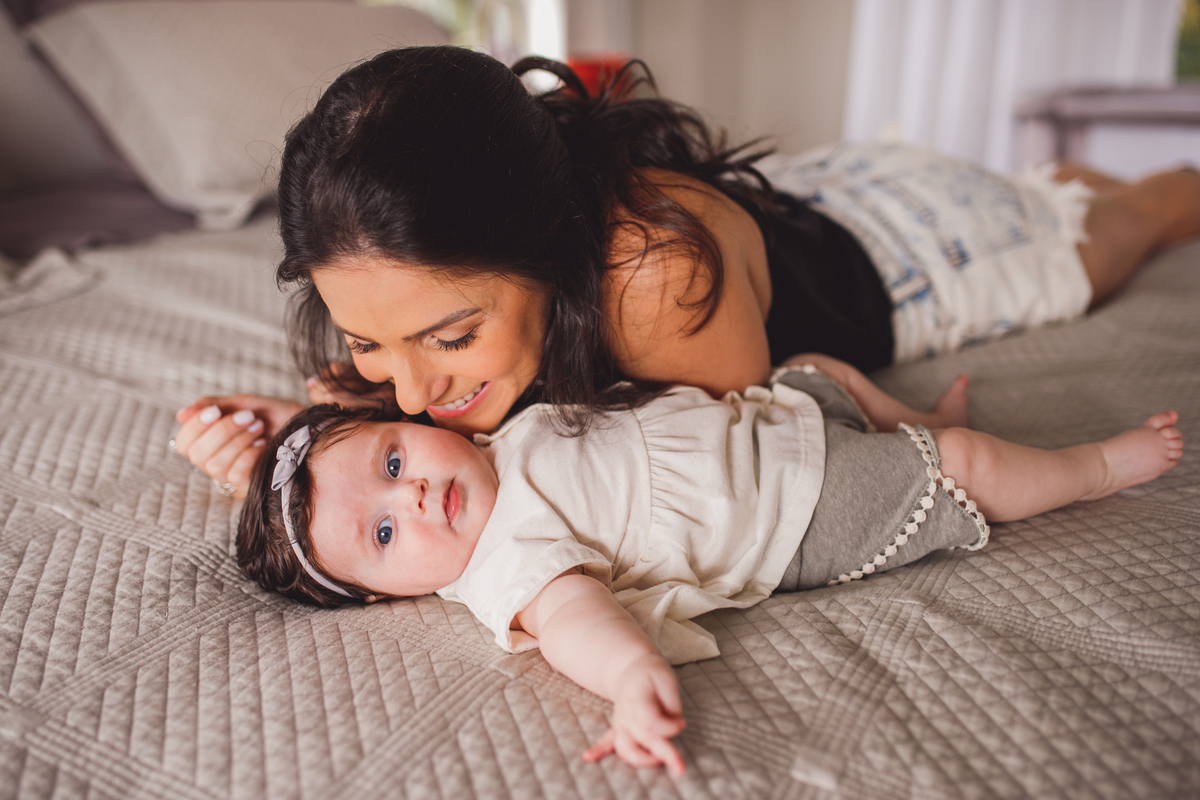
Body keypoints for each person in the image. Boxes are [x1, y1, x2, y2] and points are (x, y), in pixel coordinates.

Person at [172, 45, 1200, 497]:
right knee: (1052, 178)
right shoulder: (401, 276)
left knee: (1124, 224)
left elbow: (687, 470)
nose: (413, 391)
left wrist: (352, 433)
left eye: (449, 338)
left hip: (924, 247)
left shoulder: (656, 277)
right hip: (809, 194)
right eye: (366, 341)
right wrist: (314, 437)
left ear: (541, 240)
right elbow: (431, 406)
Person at [236, 358, 1183, 775]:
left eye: (393, 464)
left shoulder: (490, 432)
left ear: (407, 423)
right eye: (387, 538)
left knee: (826, 365)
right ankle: (1091, 468)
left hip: (767, 422)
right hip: (792, 511)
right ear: (382, 594)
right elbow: (578, 625)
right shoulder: (504, 563)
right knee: (964, 470)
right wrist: (634, 680)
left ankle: (909, 414)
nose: (410, 499)